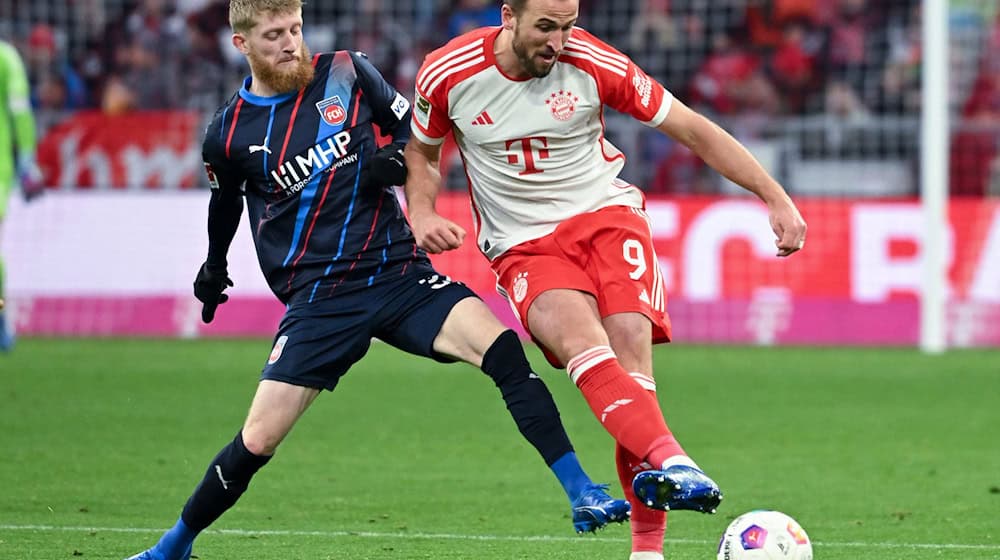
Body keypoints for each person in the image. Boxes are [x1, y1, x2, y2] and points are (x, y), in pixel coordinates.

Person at [124, 2, 629, 559]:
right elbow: (225, 203)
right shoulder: (227, 132)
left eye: (294, 29)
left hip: (396, 273)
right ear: (242, 44)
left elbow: (418, 138)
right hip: (318, 298)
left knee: (504, 349)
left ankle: (582, 490)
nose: (291, 43)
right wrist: (214, 266)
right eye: (273, 36)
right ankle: (175, 546)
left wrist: (393, 165)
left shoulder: (346, 71)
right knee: (259, 438)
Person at [403, 1, 808, 559]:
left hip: (606, 221)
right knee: (581, 346)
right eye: (546, 27)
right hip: (522, 245)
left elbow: (690, 126)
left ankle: (647, 551)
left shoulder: (593, 62)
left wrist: (774, 195)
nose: (559, 41)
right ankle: (675, 461)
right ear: (508, 16)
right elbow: (422, 153)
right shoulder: (448, 72)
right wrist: (422, 213)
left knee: (633, 369)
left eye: (568, 26)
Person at [0, 39, 45, 353]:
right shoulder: (6, 57)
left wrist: (27, 158)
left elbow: (19, 111)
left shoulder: (5, 58)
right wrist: (27, 158)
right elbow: (20, 111)